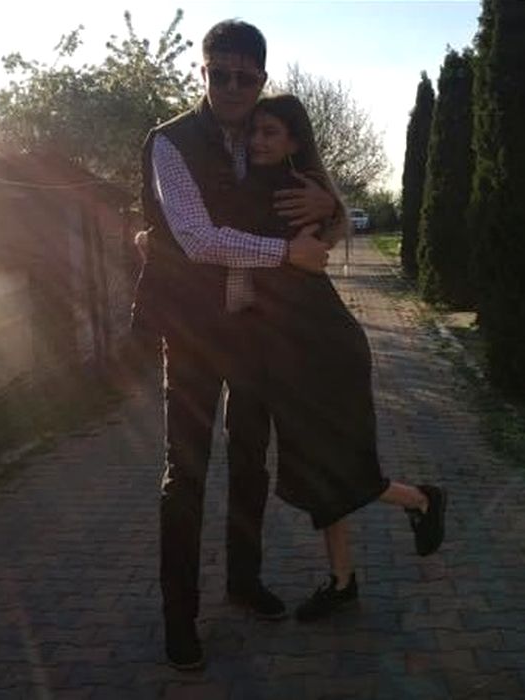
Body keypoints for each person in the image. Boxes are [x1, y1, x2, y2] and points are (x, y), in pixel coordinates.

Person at [130, 22, 341, 670]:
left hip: (255, 330)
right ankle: (179, 617)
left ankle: (244, 582)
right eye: (218, 73)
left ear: (260, 80)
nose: (229, 87)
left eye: (243, 77)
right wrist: (284, 253)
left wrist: (329, 208)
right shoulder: (169, 142)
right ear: (202, 72)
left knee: (251, 463)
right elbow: (196, 238)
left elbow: (320, 209)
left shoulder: (269, 136)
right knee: (185, 475)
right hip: (192, 332)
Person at [238, 94, 449, 622]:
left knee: (338, 466)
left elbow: (254, 247)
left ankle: (421, 500)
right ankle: (342, 580)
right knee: (317, 470)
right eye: (254, 131)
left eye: (270, 132)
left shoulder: (287, 190)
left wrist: (330, 207)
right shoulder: (274, 185)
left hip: (321, 347)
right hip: (292, 349)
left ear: (293, 140)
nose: (257, 140)